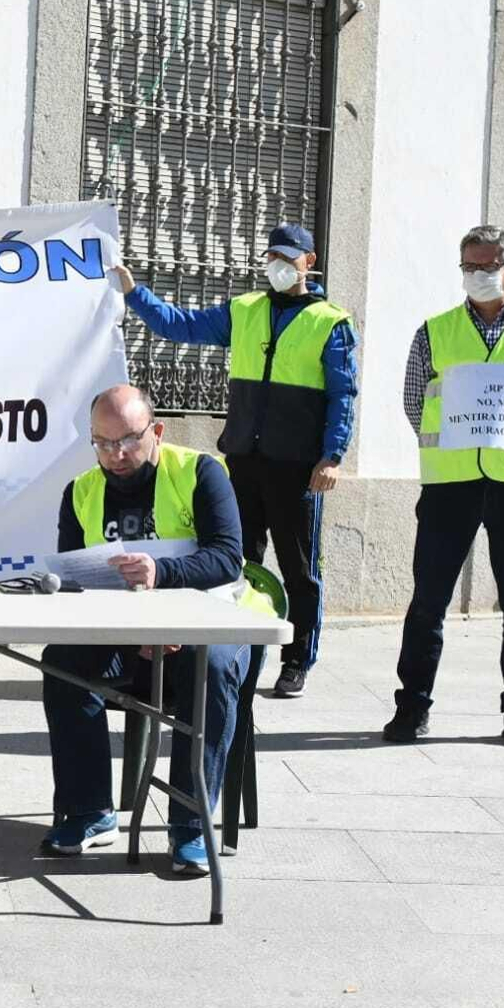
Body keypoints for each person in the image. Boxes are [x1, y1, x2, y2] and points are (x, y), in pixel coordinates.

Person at [110, 224, 356, 698]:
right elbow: (180, 326)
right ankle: (238, 649)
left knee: (300, 568)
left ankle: (298, 658)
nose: (278, 267)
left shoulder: (331, 322)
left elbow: (343, 395)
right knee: (237, 561)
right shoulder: (244, 310)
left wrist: (332, 456)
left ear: (310, 261)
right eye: (272, 258)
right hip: (245, 458)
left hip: (297, 466)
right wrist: (134, 292)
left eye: (288, 259)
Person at [39, 385, 249, 876]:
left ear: (156, 432)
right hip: (126, 634)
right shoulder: (81, 492)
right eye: (102, 443)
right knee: (61, 660)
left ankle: (191, 828)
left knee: (212, 666)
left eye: (128, 441)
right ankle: (90, 811)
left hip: (206, 624)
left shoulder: (200, 473)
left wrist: (162, 577)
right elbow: (75, 578)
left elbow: (226, 556)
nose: (115, 455)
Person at [384, 225, 504, 751]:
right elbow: (417, 402)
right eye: (469, 267)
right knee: (428, 602)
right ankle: (412, 706)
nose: (477, 276)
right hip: (450, 484)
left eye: (487, 267)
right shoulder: (434, 331)